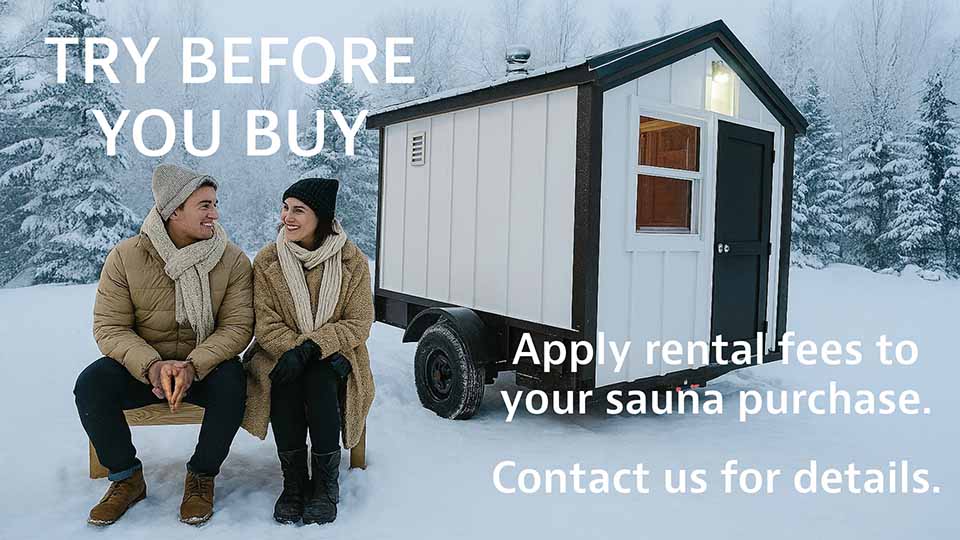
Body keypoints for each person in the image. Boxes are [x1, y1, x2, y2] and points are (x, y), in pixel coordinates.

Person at [74, 164, 254, 526]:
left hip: (203, 369)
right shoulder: (126, 257)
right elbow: (110, 327)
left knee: (234, 381)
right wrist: (152, 366)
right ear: (174, 211)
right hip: (145, 371)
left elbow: (237, 326)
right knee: (91, 384)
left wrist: (194, 365)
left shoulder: (232, 259)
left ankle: (202, 476)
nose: (215, 214)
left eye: (215, 204)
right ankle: (126, 478)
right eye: (204, 206)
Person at [240, 177, 374, 526]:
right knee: (285, 377)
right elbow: (266, 323)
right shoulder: (268, 260)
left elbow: (359, 322)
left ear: (322, 217)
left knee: (317, 377)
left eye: (298, 210)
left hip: (338, 354)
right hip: (278, 352)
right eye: (285, 208)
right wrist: (295, 351)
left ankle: (326, 486)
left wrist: (313, 347)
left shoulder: (352, 261)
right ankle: (295, 483)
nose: (288, 217)